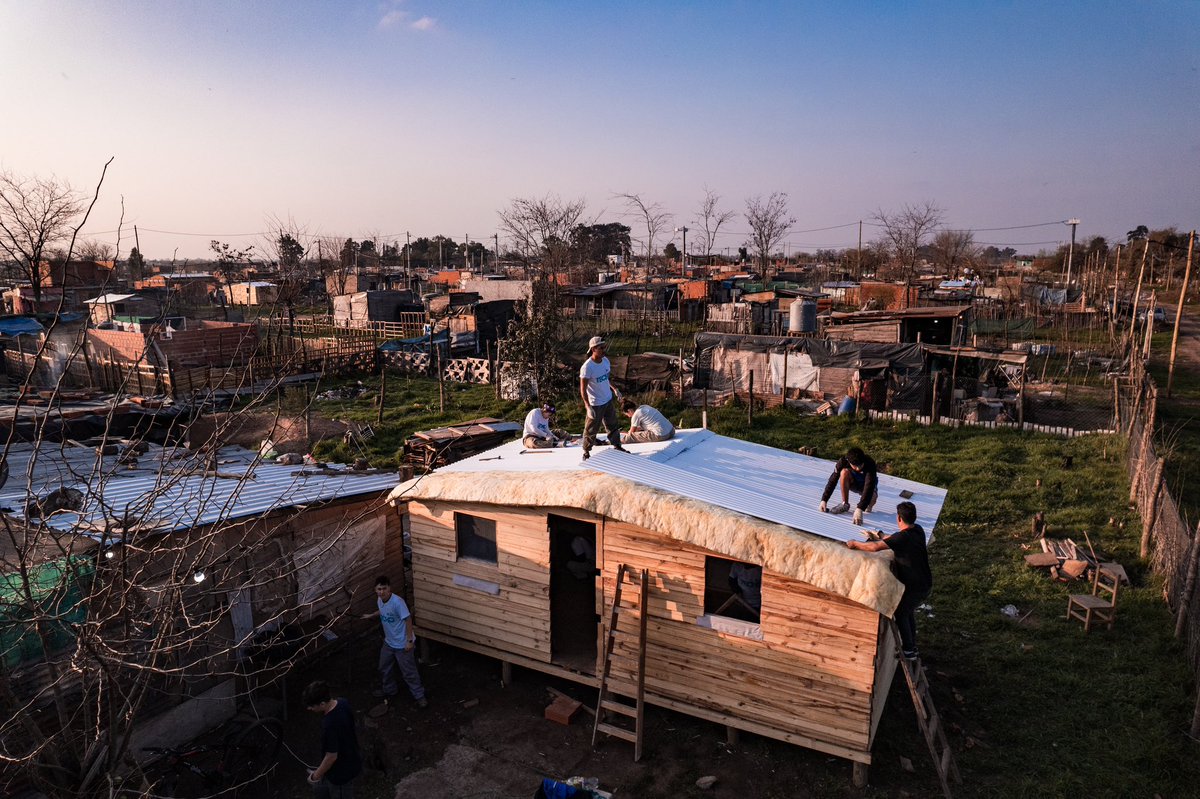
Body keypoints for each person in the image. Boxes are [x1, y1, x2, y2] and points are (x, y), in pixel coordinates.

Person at [845, 501, 932, 661]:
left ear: (899, 518)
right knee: (908, 611)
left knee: (901, 612)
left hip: (914, 586)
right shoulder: (918, 530)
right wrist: (879, 535)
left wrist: (854, 543)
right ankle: (912, 647)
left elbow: (875, 548)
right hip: (925, 583)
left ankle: (909, 651)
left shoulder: (902, 538)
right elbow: (893, 539)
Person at [361, 575, 427, 709]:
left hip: (402, 644)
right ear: (375, 590)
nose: (382, 592)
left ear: (389, 588)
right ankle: (389, 689)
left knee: (409, 672)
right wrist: (371, 615)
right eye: (379, 589)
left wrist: (409, 641)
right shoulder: (380, 600)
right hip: (389, 643)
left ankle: (419, 696)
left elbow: (408, 619)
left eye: (384, 588)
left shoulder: (397, 602)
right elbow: (382, 611)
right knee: (384, 667)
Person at [303, 680, 362, 798]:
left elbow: (331, 756)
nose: (309, 708)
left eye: (312, 706)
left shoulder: (329, 724)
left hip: (340, 774)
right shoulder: (343, 702)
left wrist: (315, 776)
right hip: (352, 758)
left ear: (322, 704)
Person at [579, 336, 626, 461]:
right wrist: (587, 406)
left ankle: (617, 446)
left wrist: (615, 389)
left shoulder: (605, 361)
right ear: (593, 349)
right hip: (595, 403)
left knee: (612, 425)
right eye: (601, 348)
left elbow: (606, 378)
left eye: (604, 347)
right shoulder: (587, 367)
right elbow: (583, 389)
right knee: (591, 428)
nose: (604, 350)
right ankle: (586, 452)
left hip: (607, 399)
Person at [819, 446, 879, 526]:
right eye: (855, 466)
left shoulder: (870, 463)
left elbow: (869, 486)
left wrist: (860, 508)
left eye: (860, 465)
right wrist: (824, 500)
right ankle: (845, 504)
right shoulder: (843, 462)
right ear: (849, 462)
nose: (858, 468)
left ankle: (868, 506)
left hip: (866, 485)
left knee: (872, 498)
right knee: (844, 472)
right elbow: (832, 480)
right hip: (853, 481)